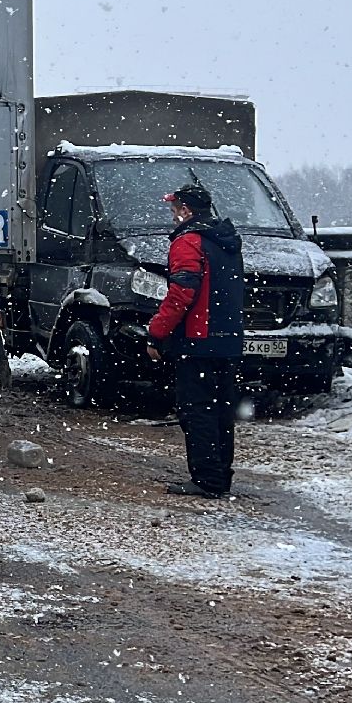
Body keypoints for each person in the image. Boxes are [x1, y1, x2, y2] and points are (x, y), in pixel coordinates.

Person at [146, 182, 247, 498]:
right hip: (228, 340)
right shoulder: (226, 242)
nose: (172, 215)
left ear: (186, 210)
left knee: (197, 409)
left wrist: (156, 332)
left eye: (175, 209)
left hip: (197, 339)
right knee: (221, 411)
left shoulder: (188, 242)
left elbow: (181, 294)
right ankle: (221, 475)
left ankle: (206, 480)